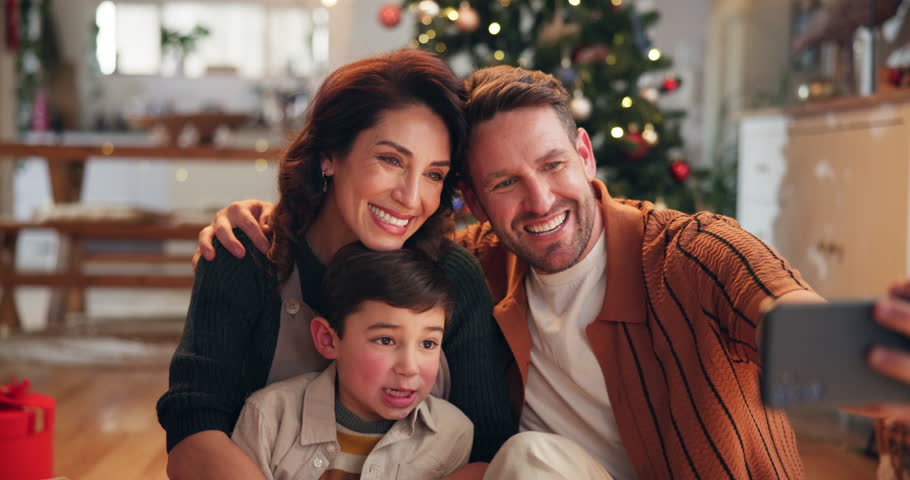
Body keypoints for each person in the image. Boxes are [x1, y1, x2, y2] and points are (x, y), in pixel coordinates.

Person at [198, 65, 910, 479]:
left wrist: (881, 364)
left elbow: (801, 332)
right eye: (505, 183)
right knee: (530, 458)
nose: (540, 202)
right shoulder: (471, 270)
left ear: (586, 155)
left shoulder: (694, 253)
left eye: (552, 166)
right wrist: (270, 214)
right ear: (473, 200)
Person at [157, 49, 517, 480]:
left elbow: (490, 450)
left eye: (434, 174)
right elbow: (193, 430)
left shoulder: (454, 276)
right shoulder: (247, 255)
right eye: (391, 160)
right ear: (329, 155)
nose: (410, 195)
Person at [232, 243, 474, 480]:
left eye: (428, 344)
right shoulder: (269, 418)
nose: (409, 367)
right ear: (328, 339)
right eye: (386, 340)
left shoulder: (453, 434)